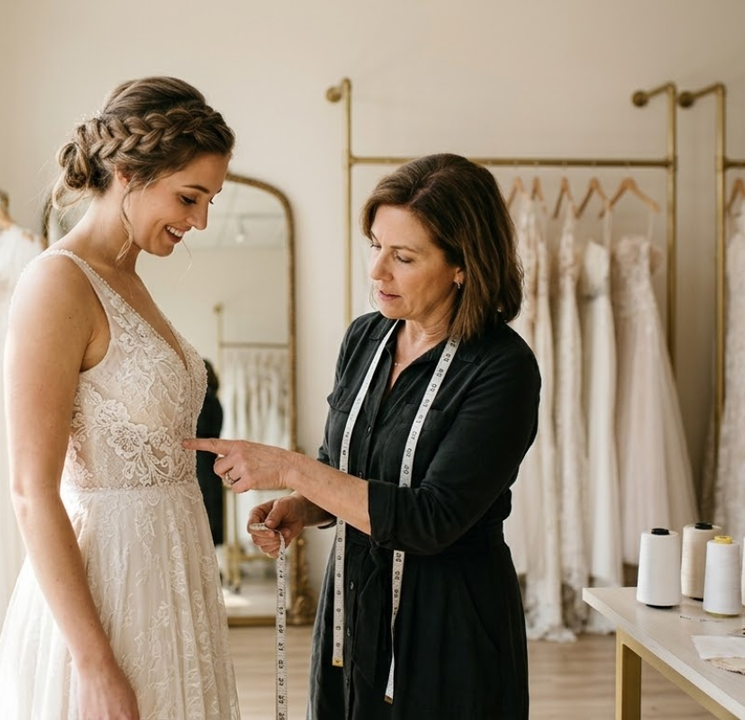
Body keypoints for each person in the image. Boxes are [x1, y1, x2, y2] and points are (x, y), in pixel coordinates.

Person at [186, 153, 540, 718]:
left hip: (448, 618)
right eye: (375, 245)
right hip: (353, 601)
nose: (377, 271)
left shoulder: (502, 368)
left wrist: (291, 468)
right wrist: (302, 508)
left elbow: (431, 519)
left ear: (462, 265)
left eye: (403, 256)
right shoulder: (366, 338)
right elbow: (343, 468)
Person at [0, 76, 240, 720]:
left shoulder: (127, 278)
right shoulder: (57, 285)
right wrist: (93, 663)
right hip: (109, 589)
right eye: (190, 197)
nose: (200, 221)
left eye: (209, 200)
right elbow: (30, 490)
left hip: (174, 575)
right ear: (128, 172)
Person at [196, 359, 225, 546]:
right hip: (212, 465)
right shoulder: (216, 402)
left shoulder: (202, 402)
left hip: (199, 465)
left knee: (202, 520)